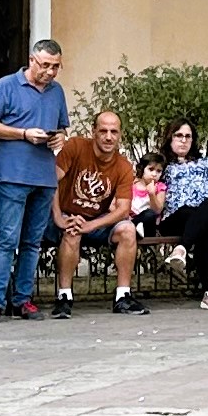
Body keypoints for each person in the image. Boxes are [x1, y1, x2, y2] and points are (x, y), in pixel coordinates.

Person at [0, 41, 73, 324]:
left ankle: (22, 300)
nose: (50, 72)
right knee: (6, 240)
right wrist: (22, 134)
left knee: (32, 242)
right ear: (32, 60)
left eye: (55, 66)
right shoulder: (7, 85)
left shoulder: (57, 92)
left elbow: (62, 128)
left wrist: (60, 138)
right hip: (11, 174)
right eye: (45, 65)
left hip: (44, 176)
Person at [59, 108, 147, 316]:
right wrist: (58, 218)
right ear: (94, 131)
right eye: (103, 131)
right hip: (66, 214)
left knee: (128, 229)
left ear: (120, 135)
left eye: (114, 132)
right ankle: (64, 296)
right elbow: (51, 183)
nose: (108, 137)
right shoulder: (75, 147)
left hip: (97, 221)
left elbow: (124, 209)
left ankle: (122, 296)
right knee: (73, 231)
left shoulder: (124, 165)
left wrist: (91, 225)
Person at [157, 119, 208, 307]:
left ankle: (182, 248)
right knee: (199, 221)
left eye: (188, 136)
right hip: (176, 219)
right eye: (178, 135)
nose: (183, 140)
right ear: (170, 138)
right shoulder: (162, 165)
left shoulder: (206, 164)